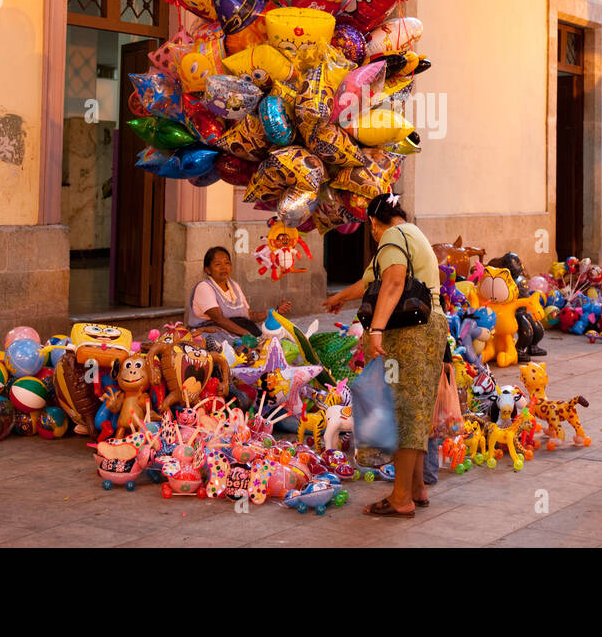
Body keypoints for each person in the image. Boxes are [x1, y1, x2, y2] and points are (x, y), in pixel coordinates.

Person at [321, 193, 448, 516]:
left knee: (404, 411)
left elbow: (393, 281)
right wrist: (341, 298)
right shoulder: (411, 233)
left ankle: (401, 497)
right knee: (414, 409)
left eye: (372, 230)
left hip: (410, 334)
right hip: (429, 328)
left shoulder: (391, 236)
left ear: (374, 222)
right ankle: (417, 488)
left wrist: (376, 329)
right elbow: (370, 283)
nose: (374, 235)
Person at [187, 247, 290, 347]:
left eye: (227, 263)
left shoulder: (234, 285)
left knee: (272, 341)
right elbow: (218, 319)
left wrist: (275, 312)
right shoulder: (204, 287)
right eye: (218, 264)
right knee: (238, 350)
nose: (223, 267)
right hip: (213, 332)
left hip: (238, 331)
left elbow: (250, 316)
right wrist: (246, 334)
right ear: (208, 269)